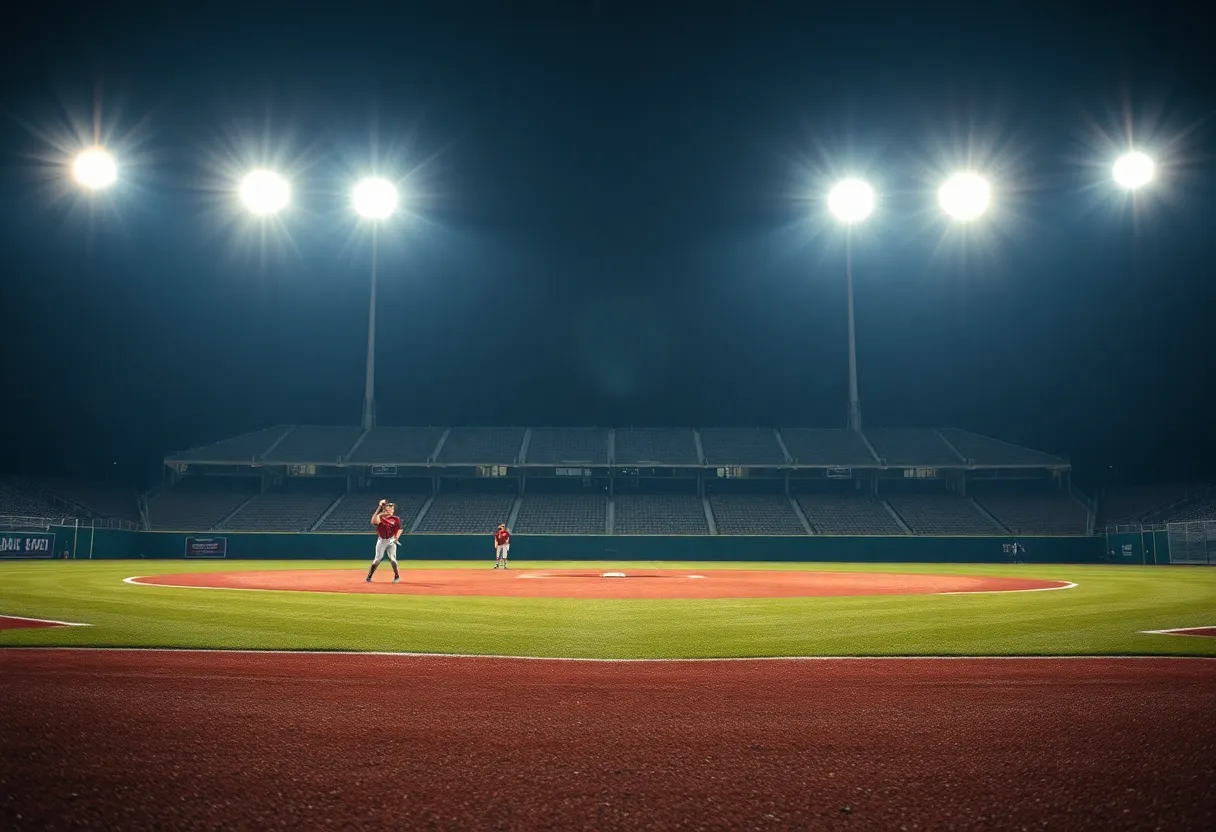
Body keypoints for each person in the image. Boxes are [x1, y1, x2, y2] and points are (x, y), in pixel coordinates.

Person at [366, 499, 403, 583]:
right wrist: (379, 508)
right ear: (385, 510)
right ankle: (369, 576)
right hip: (382, 540)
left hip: (391, 540)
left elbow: (399, 529)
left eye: (392, 509)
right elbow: (373, 521)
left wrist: (396, 538)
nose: (391, 510)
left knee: (393, 559)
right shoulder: (380, 517)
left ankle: (397, 576)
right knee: (377, 559)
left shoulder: (396, 519)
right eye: (389, 508)